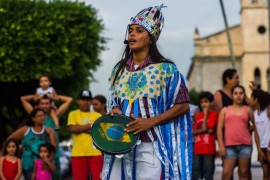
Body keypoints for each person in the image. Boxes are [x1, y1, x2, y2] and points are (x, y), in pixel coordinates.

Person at [103, 4, 192, 180]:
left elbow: (183, 105)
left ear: (150, 38)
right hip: (119, 143)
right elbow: (112, 101)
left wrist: (150, 121)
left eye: (138, 31)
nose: (132, 34)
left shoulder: (166, 69)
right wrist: (115, 110)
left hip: (149, 144)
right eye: (130, 30)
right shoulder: (118, 70)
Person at [20, 94, 72, 180]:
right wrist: (37, 96)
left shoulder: (55, 116)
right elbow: (23, 99)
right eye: (42, 103)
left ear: (50, 105)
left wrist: (53, 97)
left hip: (54, 156)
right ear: (39, 105)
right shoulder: (36, 117)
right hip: (38, 158)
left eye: (47, 103)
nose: (45, 105)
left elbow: (69, 100)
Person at [7, 108, 57, 180]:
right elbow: (9, 140)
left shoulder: (49, 130)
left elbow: (54, 148)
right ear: (33, 119)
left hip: (44, 163)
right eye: (39, 116)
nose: (42, 117)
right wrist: (18, 149)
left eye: (43, 115)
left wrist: (48, 161)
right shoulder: (26, 129)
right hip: (29, 164)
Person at [217, 85, 254, 180]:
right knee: (226, 174)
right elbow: (219, 129)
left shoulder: (248, 110)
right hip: (229, 147)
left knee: (244, 173)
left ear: (244, 95)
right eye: (236, 93)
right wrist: (221, 146)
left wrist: (248, 128)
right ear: (232, 95)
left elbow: (256, 125)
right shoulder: (225, 110)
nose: (238, 96)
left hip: (245, 145)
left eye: (241, 93)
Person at [67, 89, 103, 180]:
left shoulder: (97, 115)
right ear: (78, 101)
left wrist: (79, 127)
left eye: (88, 100)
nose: (85, 102)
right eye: (83, 99)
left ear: (91, 101)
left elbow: (99, 132)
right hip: (77, 154)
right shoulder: (73, 114)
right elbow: (72, 129)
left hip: (96, 153)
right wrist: (89, 126)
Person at [192, 92, 218, 180]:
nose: (203, 104)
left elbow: (205, 127)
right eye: (202, 102)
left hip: (208, 150)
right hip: (197, 149)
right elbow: (195, 131)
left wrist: (206, 114)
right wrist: (204, 130)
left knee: (208, 175)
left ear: (211, 103)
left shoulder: (214, 114)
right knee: (196, 175)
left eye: (206, 101)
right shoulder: (199, 116)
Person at [250, 89, 270, 180]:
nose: (250, 100)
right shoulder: (254, 113)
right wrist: (258, 149)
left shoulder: (268, 110)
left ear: (256, 99)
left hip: (269, 146)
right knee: (265, 174)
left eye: (251, 97)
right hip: (262, 147)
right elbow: (256, 133)